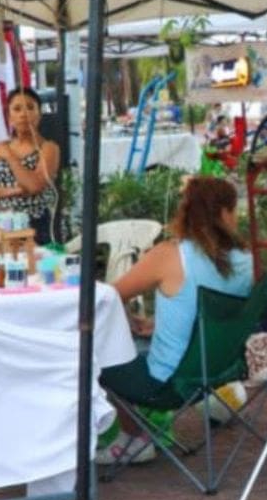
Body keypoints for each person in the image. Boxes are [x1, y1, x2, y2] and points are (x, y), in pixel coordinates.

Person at [102, 175, 255, 463]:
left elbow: (107, 298)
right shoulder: (248, 260)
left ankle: (134, 439)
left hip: (167, 384)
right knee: (136, 344)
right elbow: (215, 315)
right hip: (218, 371)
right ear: (225, 213)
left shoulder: (169, 255)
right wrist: (161, 325)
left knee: (92, 355)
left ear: (185, 212)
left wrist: (129, 321)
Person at [0, 89, 58, 244]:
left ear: (39, 115)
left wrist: (10, 157)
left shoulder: (48, 148)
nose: (24, 114)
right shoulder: (0, 147)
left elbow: (34, 186)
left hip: (31, 224)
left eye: (30, 107)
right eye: (17, 109)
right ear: (9, 117)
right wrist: (14, 191)